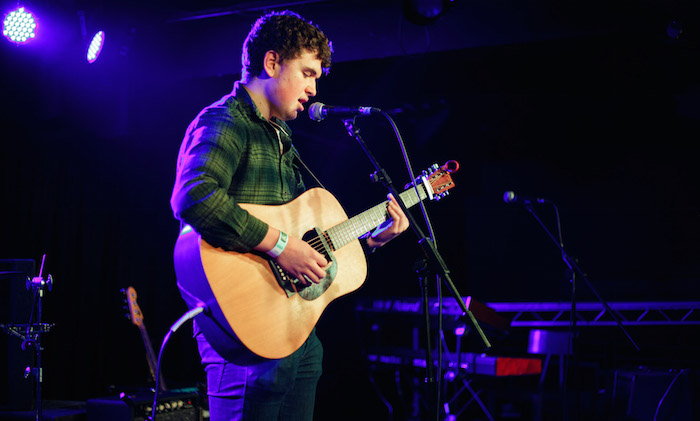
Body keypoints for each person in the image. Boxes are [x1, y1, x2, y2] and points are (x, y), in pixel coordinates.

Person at [170, 10, 409, 420]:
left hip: (295, 330)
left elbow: (308, 242)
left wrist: (371, 240)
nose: (313, 89)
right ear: (272, 63)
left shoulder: (282, 139)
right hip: (242, 331)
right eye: (308, 73)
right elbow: (194, 197)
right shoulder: (226, 120)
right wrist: (281, 246)